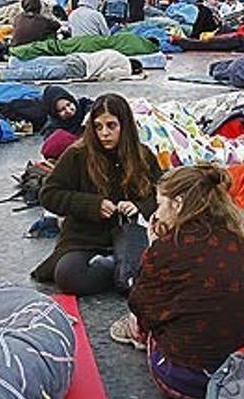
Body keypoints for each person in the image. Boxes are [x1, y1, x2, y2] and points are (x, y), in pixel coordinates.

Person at [120, 164, 244, 399]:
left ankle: (136, 337)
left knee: (142, 320)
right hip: (243, 370)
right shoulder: (240, 240)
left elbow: (143, 307)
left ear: (178, 203)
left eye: (160, 204)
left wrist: (153, 246)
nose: (157, 212)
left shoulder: (167, 248)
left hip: (188, 380)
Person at [33, 93, 162, 295]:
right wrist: (92, 205)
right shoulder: (77, 155)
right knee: (68, 275)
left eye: (111, 126)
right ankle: (123, 273)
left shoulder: (142, 155)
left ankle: (123, 270)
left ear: (125, 126)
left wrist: (139, 206)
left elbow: (162, 193)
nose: (104, 133)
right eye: (98, 127)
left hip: (132, 236)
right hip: (85, 238)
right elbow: (49, 194)